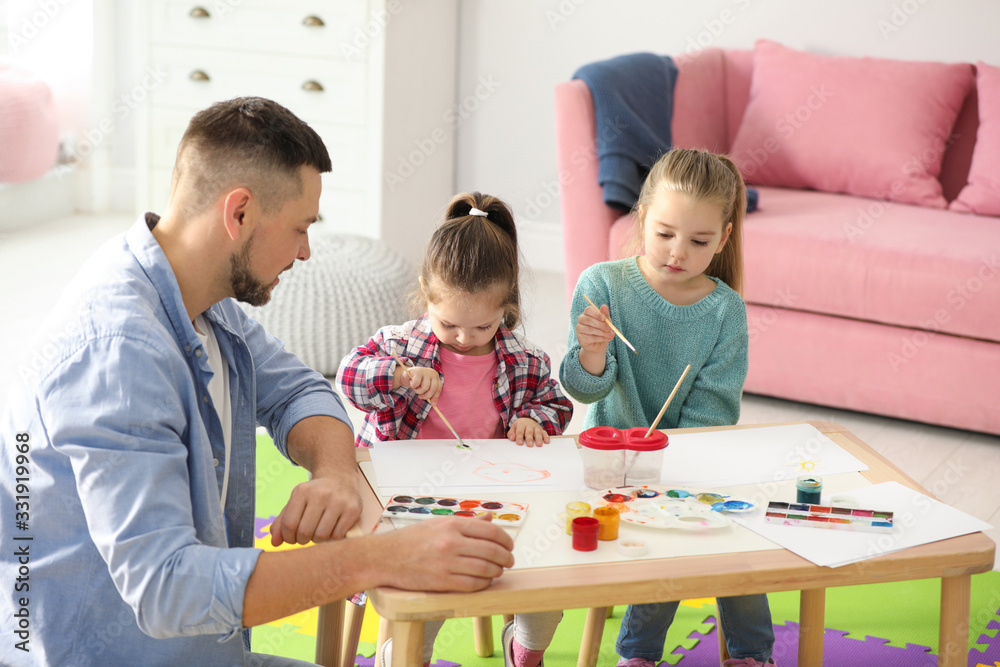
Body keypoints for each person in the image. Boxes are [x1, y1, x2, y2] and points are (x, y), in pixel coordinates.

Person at [0, 97, 514, 667]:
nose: (305, 250)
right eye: (300, 227)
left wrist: (337, 473)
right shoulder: (119, 356)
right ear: (239, 212)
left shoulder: (196, 295)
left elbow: (301, 390)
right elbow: (167, 589)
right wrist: (384, 559)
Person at [559, 148, 777, 667]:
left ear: (723, 238)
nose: (677, 252)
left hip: (690, 461)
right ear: (642, 220)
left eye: (699, 241)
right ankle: (639, 653)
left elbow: (716, 411)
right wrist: (591, 352)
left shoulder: (723, 309)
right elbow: (581, 392)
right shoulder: (601, 284)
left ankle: (751, 653)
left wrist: (673, 464)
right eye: (664, 234)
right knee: (671, 529)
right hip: (611, 466)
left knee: (731, 528)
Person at [336, 192, 572, 667]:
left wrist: (533, 420)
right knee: (426, 598)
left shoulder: (524, 360)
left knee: (548, 579)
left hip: (492, 497)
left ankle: (524, 648)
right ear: (426, 292)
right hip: (409, 504)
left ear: (506, 307)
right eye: (450, 324)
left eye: (483, 327)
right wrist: (398, 376)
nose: (465, 338)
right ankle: (402, 655)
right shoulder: (399, 346)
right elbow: (347, 378)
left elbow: (556, 404)